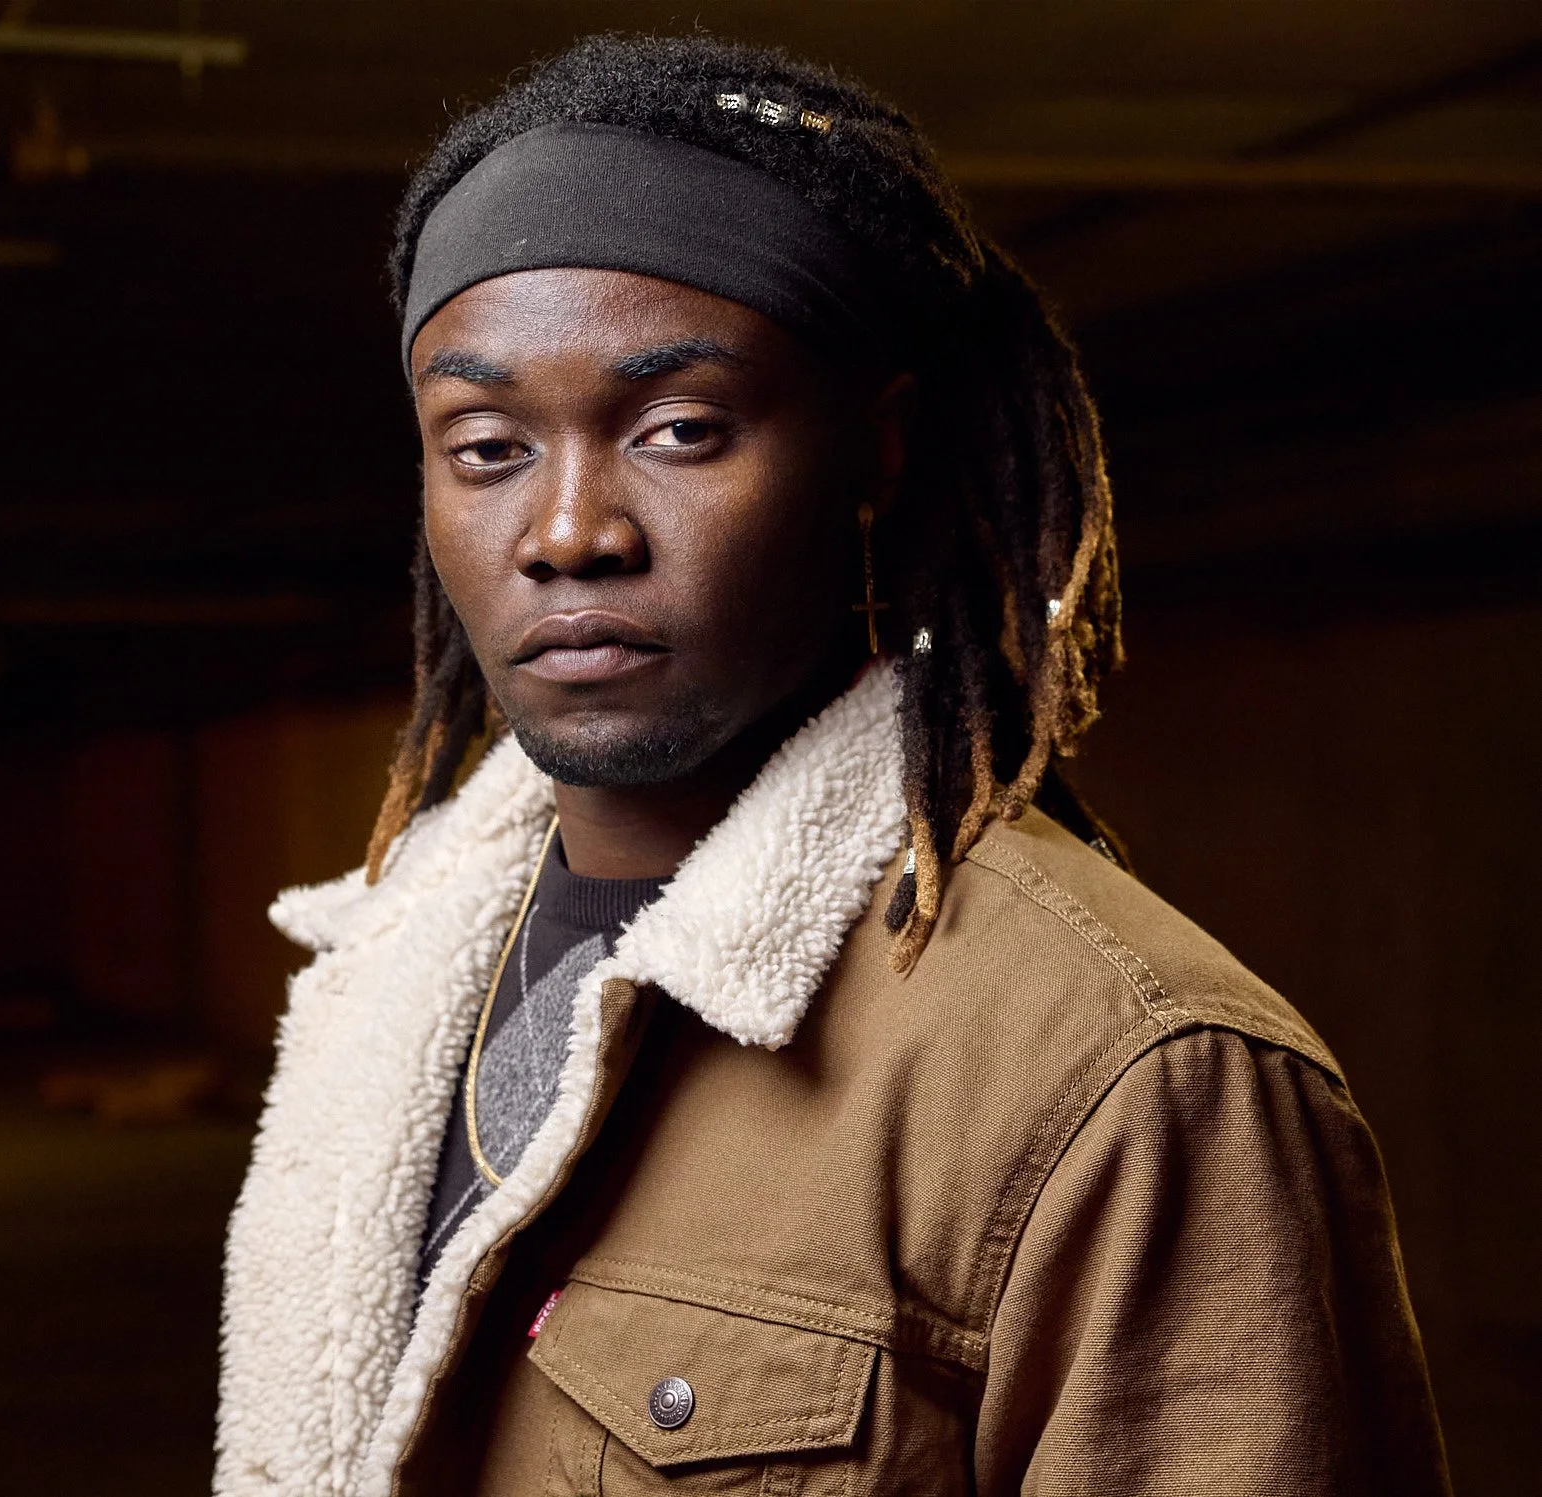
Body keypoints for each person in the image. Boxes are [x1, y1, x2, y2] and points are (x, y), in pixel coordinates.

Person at [217, 35, 1449, 1497]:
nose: (566, 531)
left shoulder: (1127, 1071)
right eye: (484, 446)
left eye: (679, 429)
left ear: (873, 457)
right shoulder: (389, 972)